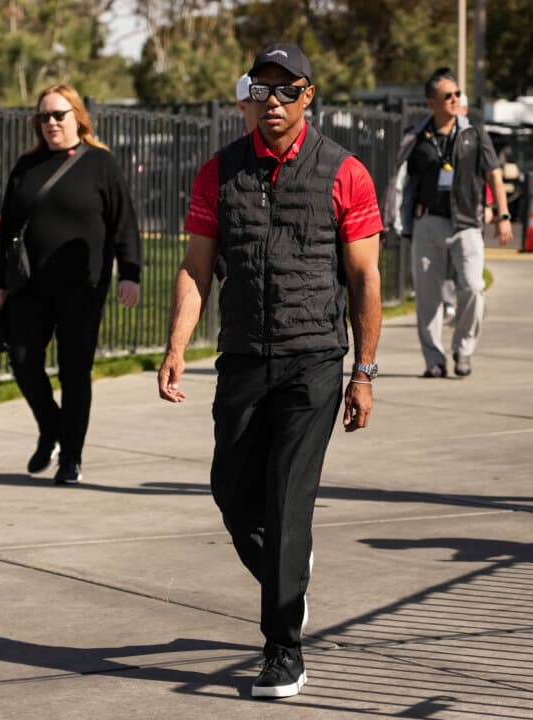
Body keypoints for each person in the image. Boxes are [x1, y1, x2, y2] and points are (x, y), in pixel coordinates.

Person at [158, 43, 382, 699]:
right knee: (233, 495)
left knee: (287, 501)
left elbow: (366, 277)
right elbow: (197, 268)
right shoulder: (218, 173)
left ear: (309, 95)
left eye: (288, 91)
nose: (274, 102)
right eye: (264, 90)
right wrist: (176, 345)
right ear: (250, 95)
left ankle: (283, 649)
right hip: (244, 357)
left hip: (313, 358)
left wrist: (364, 371)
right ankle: (290, 575)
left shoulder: (345, 172)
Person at [0, 84, 142, 486]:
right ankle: (51, 427)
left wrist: (130, 273)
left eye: (58, 115)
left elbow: (123, 220)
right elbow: (6, 227)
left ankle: (70, 457)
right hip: (29, 284)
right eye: (44, 117)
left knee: (75, 372)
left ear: (78, 117)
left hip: (82, 287)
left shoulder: (100, 163)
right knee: (22, 360)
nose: (51, 123)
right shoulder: (27, 164)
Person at [385, 67, 513, 378]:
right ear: (431, 103)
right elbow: (401, 180)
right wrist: (394, 216)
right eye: (448, 96)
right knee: (428, 298)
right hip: (428, 222)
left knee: (472, 287)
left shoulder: (474, 133)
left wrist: (503, 214)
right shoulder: (416, 138)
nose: (455, 100)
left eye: (457, 94)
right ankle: (434, 360)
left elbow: (493, 173)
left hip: (467, 224)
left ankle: (464, 349)